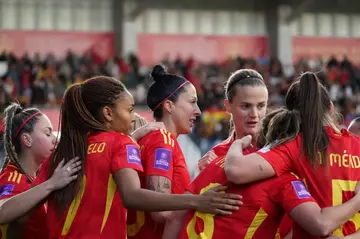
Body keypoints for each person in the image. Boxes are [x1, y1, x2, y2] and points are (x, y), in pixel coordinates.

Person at [34, 76, 242, 239]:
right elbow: (138, 199)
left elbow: (23, 210)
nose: (135, 117)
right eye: (130, 110)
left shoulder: (63, 152)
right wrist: (198, 201)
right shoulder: (143, 141)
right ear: (108, 113)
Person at [163, 108, 360, 239]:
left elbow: (175, 217)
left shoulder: (219, 162)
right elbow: (321, 224)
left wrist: (237, 145)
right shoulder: (284, 181)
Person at [224, 72, 360, 238]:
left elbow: (236, 170)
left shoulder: (294, 146)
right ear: (331, 109)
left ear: (291, 114)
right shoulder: (357, 145)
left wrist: (237, 144)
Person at [196, 69, 292, 238]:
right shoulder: (216, 154)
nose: (254, 115)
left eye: (261, 106)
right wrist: (200, 192)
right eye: (245, 106)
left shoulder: (282, 150)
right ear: (227, 106)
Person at [127, 64, 201, 239]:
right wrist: (202, 204)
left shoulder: (149, 139)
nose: (198, 111)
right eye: (192, 102)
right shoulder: (162, 139)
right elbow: (161, 211)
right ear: (169, 106)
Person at [0, 103, 81, 239]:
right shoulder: (12, 178)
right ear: (27, 140)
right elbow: (2, 212)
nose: (55, 139)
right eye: (48, 133)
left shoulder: (32, 177)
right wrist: (52, 184)